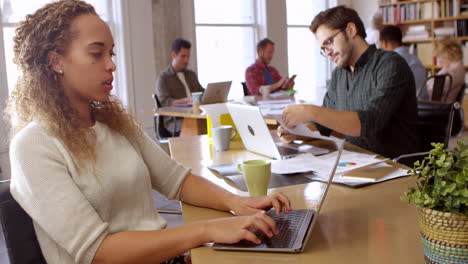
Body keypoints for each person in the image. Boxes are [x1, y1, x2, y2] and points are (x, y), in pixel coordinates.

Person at [5, 1, 292, 264]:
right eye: (96, 53)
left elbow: (177, 181)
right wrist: (208, 230)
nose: (111, 64)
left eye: (111, 53)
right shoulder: (33, 146)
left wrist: (237, 202)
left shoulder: (114, 124)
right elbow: (100, 251)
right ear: (56, 61)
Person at [278, 6, 419, 159]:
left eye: (330, 42)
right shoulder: (339, 74)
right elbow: (322, 125)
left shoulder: (391, 64)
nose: (328, 52)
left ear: (351, 30)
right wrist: (297, 132)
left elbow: (369, 123)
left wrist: (310, 111)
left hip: (396, 167)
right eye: (324, 48)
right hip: (357, 163)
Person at [155, 38, 204, 134]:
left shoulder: (191, 74)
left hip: (196, 115)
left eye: (188, 56)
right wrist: (188, 100)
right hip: (175, 121)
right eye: (183, 56)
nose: (186, 60)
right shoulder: (163, 78)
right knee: (195, 124)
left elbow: (201, 91)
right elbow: (165, 102)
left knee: (213, 121)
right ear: (173, 55)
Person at [379, 25, 427, 97]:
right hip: (424, 105)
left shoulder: (390, 62)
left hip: (407, 106)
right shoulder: (416, 59)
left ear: (384, 43)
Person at [426, 37, 465, 103]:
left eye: (440, 56)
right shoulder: (451, 68)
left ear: (449, 53)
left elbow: (432, 90)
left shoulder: (454, 72)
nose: (439, 60)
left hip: (440, 108)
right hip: (439, 106)